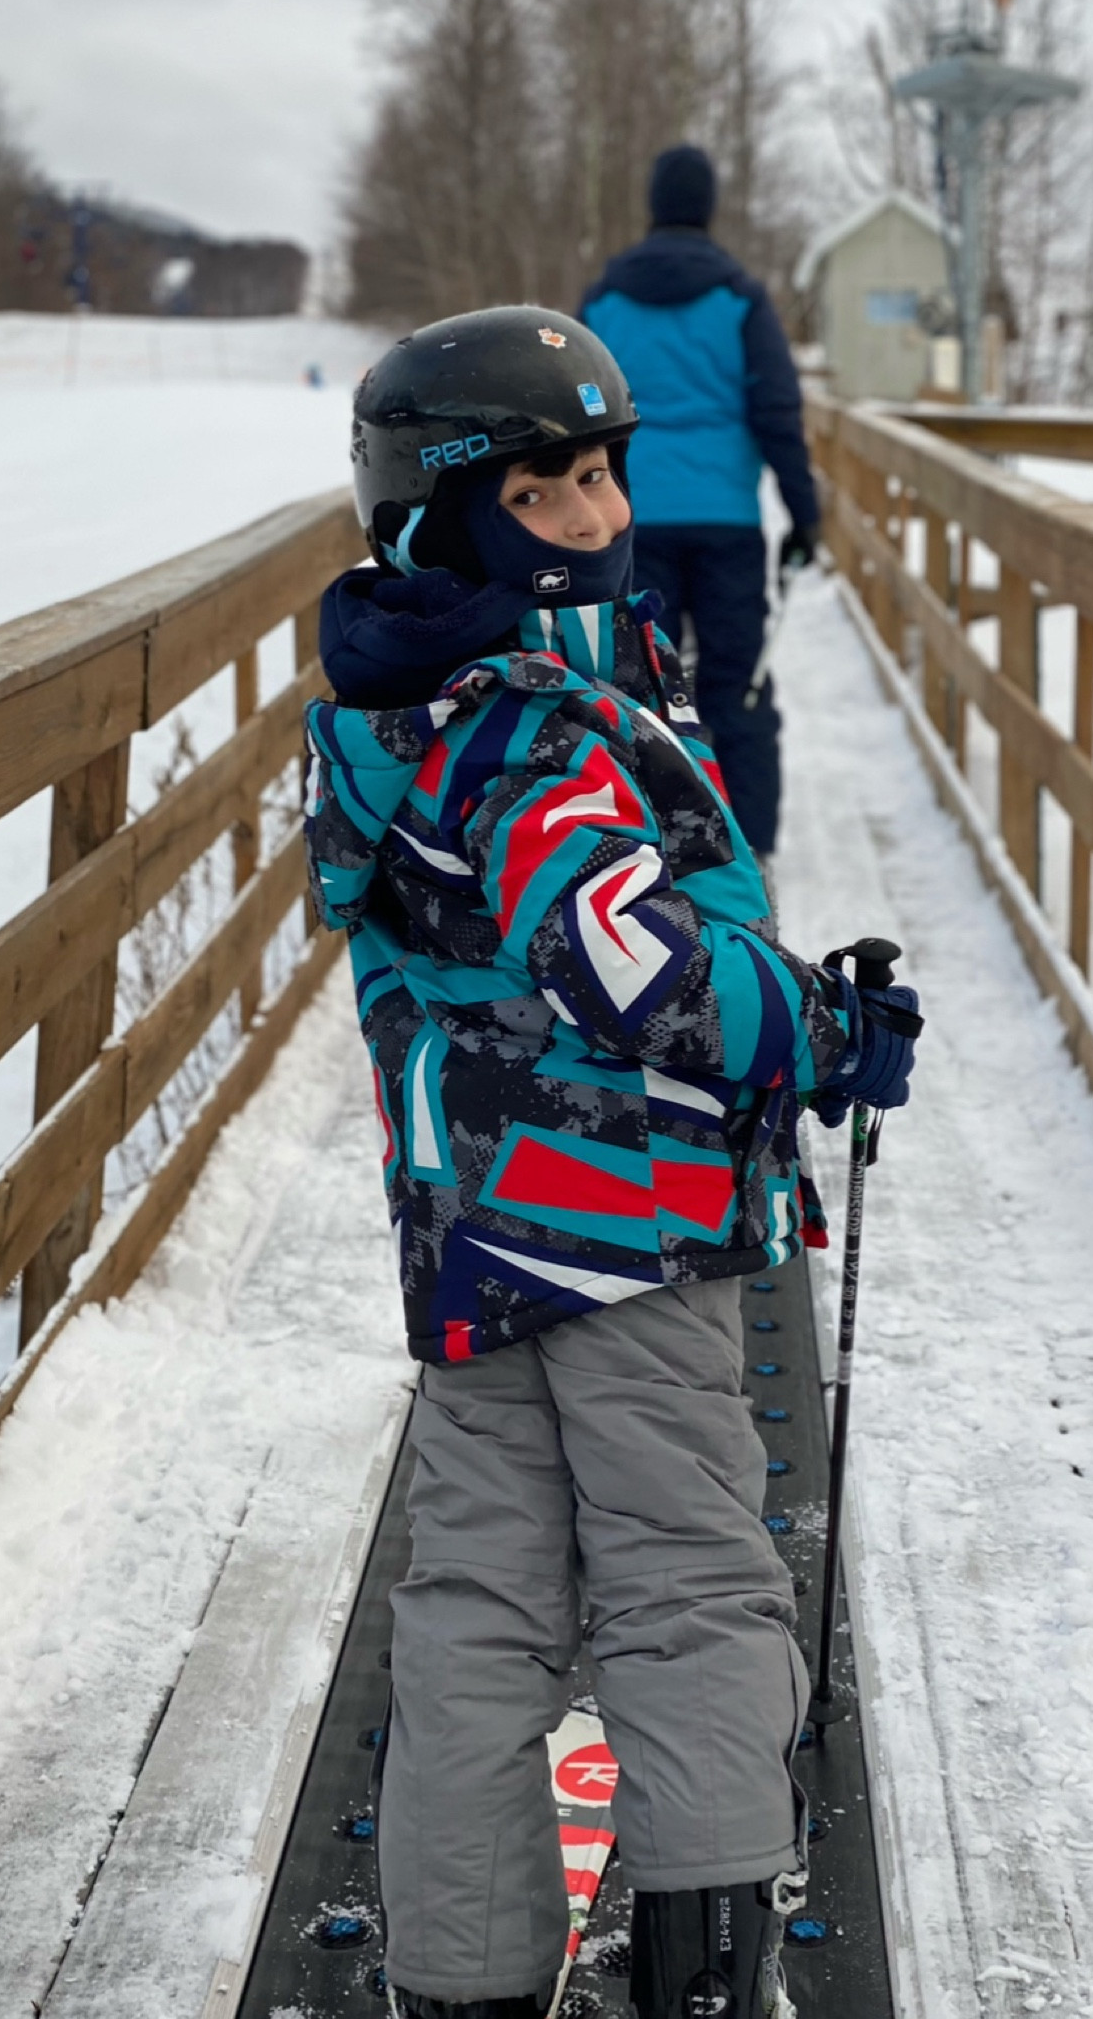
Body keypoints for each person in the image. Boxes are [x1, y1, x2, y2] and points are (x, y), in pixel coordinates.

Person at [303, 304, 922, 2019]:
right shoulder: (521, 718)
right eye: (543, 489)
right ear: (442, 511)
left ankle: (463, 1974)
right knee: (691, 1579)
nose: (591, 512)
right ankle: (707, 1961)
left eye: (600, 474)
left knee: (482, 1597)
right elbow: (618, 956)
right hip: (625, 1217)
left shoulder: (398, 684)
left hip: (476, 1229)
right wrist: (806, 1025)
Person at [578, 145, 820, 873]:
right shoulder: (739, 299)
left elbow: (575, 410)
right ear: (707, 205)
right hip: (726, 525)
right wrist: (804, 514)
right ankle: (753, 850)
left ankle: (641, 842)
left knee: (634, 680)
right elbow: (776, 409)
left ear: (653, 203)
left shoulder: (603, 303)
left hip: (630, 522)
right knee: (734, 681)